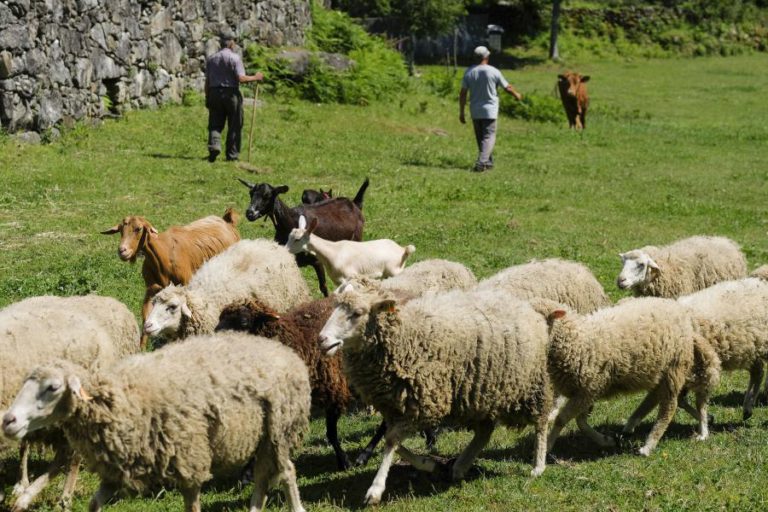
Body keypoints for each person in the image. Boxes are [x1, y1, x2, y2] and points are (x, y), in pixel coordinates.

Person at [459, 45, 523, 172]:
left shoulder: (469, 72)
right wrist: (517, 94)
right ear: (486, 57)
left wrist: (461, 112)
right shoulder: (494, 71)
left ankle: (487, 163)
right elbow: (507, 87)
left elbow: (463, 93)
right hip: (490, 110)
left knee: (481, 137)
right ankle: (482, 162)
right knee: (489, 136)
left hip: (475, 110)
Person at [204, 31, 264, 163]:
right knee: (235, 124)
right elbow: (241, 78)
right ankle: (232, 155)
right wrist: (256, 77)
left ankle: (214, 146)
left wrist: (207, 97)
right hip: (231, 94)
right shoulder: (235, 58)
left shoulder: (211, 59)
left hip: (214, 92)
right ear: (231, 43)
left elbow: (207, 81)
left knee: (214, 123)